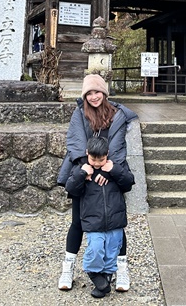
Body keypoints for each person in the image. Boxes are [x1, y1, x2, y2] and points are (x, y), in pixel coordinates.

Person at [56, 73, 138, 292]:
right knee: (78, 222)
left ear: (104, 92)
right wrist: (88, 169)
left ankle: (121, 270)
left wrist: (108, 171)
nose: (94, 97)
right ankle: (68, 268)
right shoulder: (79, 113)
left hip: (110, 172)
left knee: (116, 224)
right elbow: (75, 142)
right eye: (89, 93)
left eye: (97, 92)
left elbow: (118, 146)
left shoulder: (117, 115)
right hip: (84, 171)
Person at [64, 136, 135, 298]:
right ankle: (94, 274)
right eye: (93, 159)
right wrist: (82, 174)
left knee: (112, 250)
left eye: (101, 160)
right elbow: (71, 188)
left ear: (107, 154)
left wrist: (114, 170)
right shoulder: (82, 169)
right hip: (93, 221)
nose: (96, 163)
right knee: (95, 249)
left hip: (115, 220)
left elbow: (129, 182)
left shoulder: (115, 166)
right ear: (87, 153)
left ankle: (105, 282)